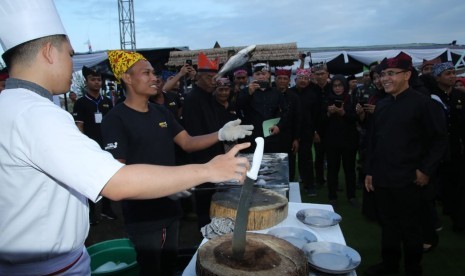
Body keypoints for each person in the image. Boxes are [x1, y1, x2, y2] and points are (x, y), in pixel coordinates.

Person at [0, 1, 250, 274]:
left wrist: (219, 136)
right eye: (70, 54)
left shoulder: (14, 106)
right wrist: (206, 170)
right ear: (49, 52)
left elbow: (185, 141)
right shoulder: (36, 114)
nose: (72, 65)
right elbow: (115, 181)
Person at [101, 50, 252, 275]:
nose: (155, 77)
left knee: (171, 265)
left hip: (171, 209)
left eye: (154, 72)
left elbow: (188, 142)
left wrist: (220, 134)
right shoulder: (115, 119)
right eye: (147, 73)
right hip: (144, 215)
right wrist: (163, 187)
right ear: (127, 78)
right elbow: (116, 176)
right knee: (153, 268)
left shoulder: (160, 112)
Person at [364, 52, 447, 276]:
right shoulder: (382, 105)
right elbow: (374, 141)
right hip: (383, 177)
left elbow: (439, 139)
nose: (385, 79)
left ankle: (413, 268)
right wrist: (370, 171)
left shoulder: (424, 103)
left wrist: (425, 170)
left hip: (410, 179)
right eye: (383, 74)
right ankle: (389, 264)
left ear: (407, 75)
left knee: (411, 228)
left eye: (391, 73)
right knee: (388, 225)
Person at [73, 65, 117, 224]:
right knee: (90, 180)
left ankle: (107, 209)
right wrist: (82, 147)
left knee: (107, 178)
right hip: (90, 148)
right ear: (86, 81)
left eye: (99, 80)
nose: (97, 82)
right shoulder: (81, 103)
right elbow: (79, 127)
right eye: (93, 79)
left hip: (106, 147)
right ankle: (91, 213)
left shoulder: (106, 101)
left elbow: (112, 124)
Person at [431, 62, 465, 233]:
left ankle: (457, 219)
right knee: (434, 184)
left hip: (455, 148)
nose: (452, 76)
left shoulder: (459, 95)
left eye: (453, 73)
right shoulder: (431, 97)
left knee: (456, 184)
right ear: (438, 77)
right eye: (447, 73)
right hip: (436, 149)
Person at [323, 75, 360, 208]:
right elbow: (321, 121)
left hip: (349, 140)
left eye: (340, 85)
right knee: (332, 169)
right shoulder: (327, 99)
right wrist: (328, 113)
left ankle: (352, 196)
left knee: (349, 169)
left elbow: (356, 118)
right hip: (332, 140)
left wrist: (343, 112)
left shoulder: (351, 99)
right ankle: (332, 196)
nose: (338, 88)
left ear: (345, 86)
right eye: (335, 85)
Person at [236, 63, 289, 153]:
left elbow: (286, 111)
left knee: (272, 164)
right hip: (252, 136)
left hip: (271, 135)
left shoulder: (276, 92)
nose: (261, 76)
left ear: (268, 75)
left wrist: (279, 126)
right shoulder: (245, 91)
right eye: (258, 74)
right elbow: (238, 108)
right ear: (253, 76)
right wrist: (249, 93)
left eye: (263, 74)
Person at [289, 68, 320, 195]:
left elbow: (316, 115)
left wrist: (315, 131)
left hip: (307, 131)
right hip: (290, 132)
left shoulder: (313, 94)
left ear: (309, 80)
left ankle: (309, 185)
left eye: (305, 78)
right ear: (296, 80)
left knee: (306, 159)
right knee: (290, 159)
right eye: (300, 78)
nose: (303, 81)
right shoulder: (289, 93)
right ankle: (288, 183)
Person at [275, 67, 301, 182]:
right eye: (279, 78)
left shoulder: (294, 97)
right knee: (274, 162)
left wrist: (296, 139)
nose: (282, 81)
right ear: (275, 79)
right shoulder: (270, 94)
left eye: (284, 78)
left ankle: (289, 183)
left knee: (289, 162)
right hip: (272, 135)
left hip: (288, 136)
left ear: (288, 80)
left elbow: (297, 118)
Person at [309, 63, 332, 187]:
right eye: (317, 74)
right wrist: (314, 132)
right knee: (318, 156)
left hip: (332, 128)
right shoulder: (312, 89)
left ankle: (332, 180)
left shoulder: (333, 87)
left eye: (322, 74)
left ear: (327, 74)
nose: (320, 76)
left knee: (332, 157)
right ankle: (319, 180)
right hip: (317, 129)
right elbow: (309, 113)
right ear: (314, 76)